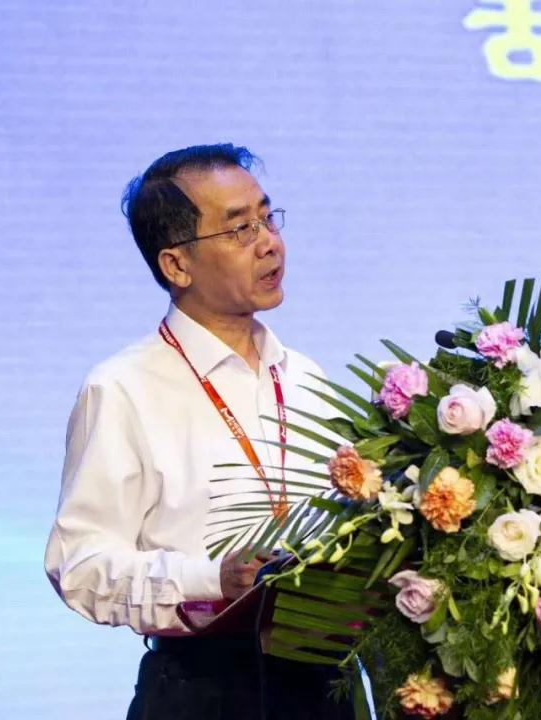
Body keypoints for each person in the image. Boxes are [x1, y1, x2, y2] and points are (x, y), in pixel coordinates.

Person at [44, 144, 353, 720]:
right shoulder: (122, 388)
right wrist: (212, 578)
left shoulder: (304, 376)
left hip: (325, 686)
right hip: (203, 688)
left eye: (268, 218)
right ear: (176, 266)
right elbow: (80, 566)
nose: (269, 242)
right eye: (239, 229)